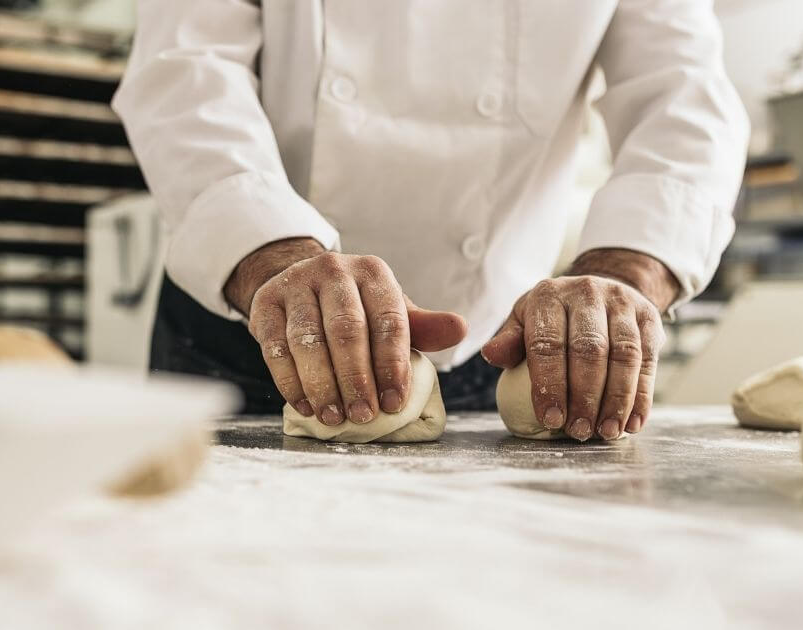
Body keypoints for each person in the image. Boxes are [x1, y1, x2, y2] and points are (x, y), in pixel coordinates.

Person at [113, 0, 749, 441]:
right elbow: (187, 68)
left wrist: (625, 272)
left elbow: (684, 96)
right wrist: (270, 249)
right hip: (256, 318)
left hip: (498, 346)